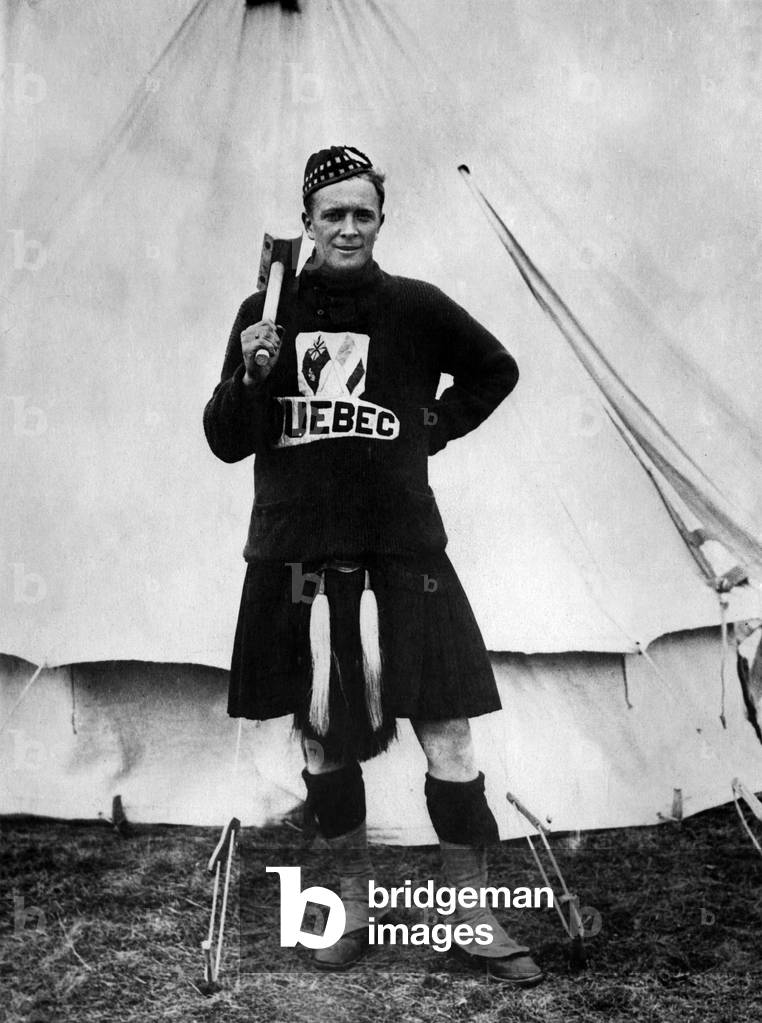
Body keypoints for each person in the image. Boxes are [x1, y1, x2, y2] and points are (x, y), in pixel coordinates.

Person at [203, 145, 542, 985]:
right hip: (299, 556)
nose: (348, 227)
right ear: (307, 221)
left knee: (450, 731)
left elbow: (497, 369)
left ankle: (470, 914)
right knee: (321, 736)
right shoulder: (267, 308)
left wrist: (432, 421)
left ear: (380, 220)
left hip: (403, 554)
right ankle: (345, 909)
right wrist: (252, 373)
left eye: (363, 213)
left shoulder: (416, 308)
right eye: (333, 214)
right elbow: (222, 438)